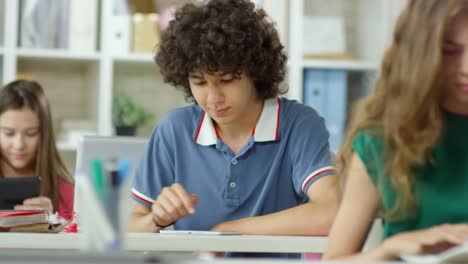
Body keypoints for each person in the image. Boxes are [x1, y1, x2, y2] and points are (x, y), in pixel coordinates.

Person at [129, 0, 340, 258]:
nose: (213, 98)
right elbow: (132, 227)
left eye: (227, 80)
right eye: (199, 82)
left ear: (255, 71)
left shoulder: (299, 125)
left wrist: (229, 232)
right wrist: (157, 219)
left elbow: (332, 212)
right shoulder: (174, 130)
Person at [323, 0, 468, 261]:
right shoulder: (381, 139)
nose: (466, 68)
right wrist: (390, 248)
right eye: (449, 51)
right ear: (420, 55)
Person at [0, 80, 74, 220]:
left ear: (44, 134)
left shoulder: (65, 191)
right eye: (9, 133)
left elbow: (81, 237)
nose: (19, 144)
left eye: (31, 133)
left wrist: (52, 220)